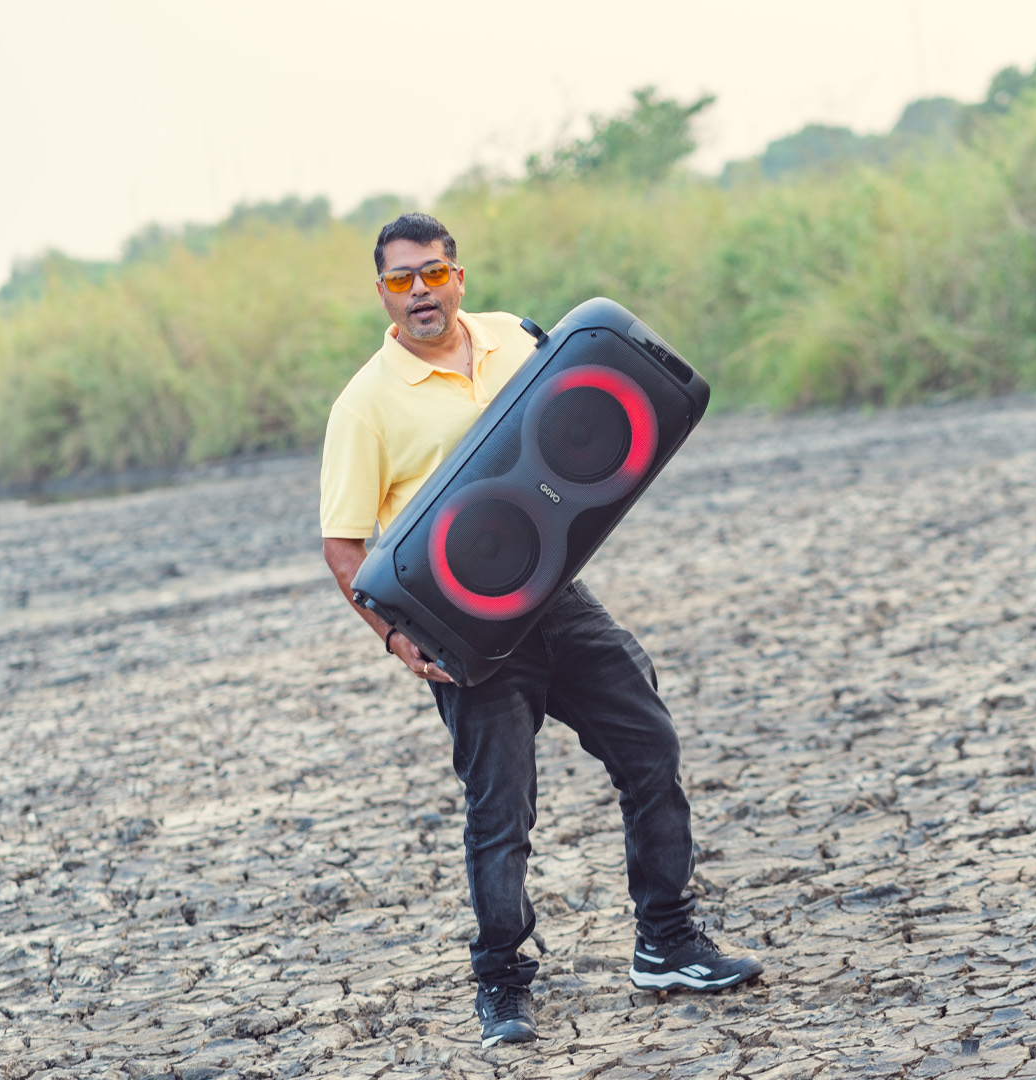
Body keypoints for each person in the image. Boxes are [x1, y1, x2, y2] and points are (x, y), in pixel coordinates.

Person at [318, 213, 762, 1049]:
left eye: (433, 272)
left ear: (457, 276)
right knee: (502, 812)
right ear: (382, 293)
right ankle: (501, 984)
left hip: (558, 599)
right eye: (402, 279)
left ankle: (668, 942)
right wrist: (395, 638)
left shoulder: (520, 341)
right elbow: (343, 547)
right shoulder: (364, 404)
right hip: (464, 627)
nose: (421, 291)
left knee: (649, 746)